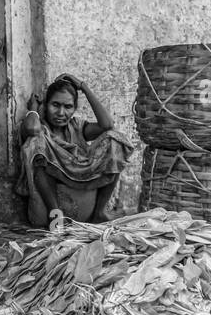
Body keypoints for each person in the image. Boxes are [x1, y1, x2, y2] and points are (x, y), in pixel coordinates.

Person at [18, 75, 132, 228]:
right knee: (35, 142)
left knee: (115, 140)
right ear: (45, 105)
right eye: (55, 105)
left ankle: (99, 212)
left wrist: (83, 86)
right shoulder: (41, 127)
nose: (61, 112)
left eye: (68, 107)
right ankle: (56, 214)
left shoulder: (77, 126)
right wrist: (33, 109)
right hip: (51, 194)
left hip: (82, 178)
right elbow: (32, 129)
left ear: (74, 108)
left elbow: (107, 125)